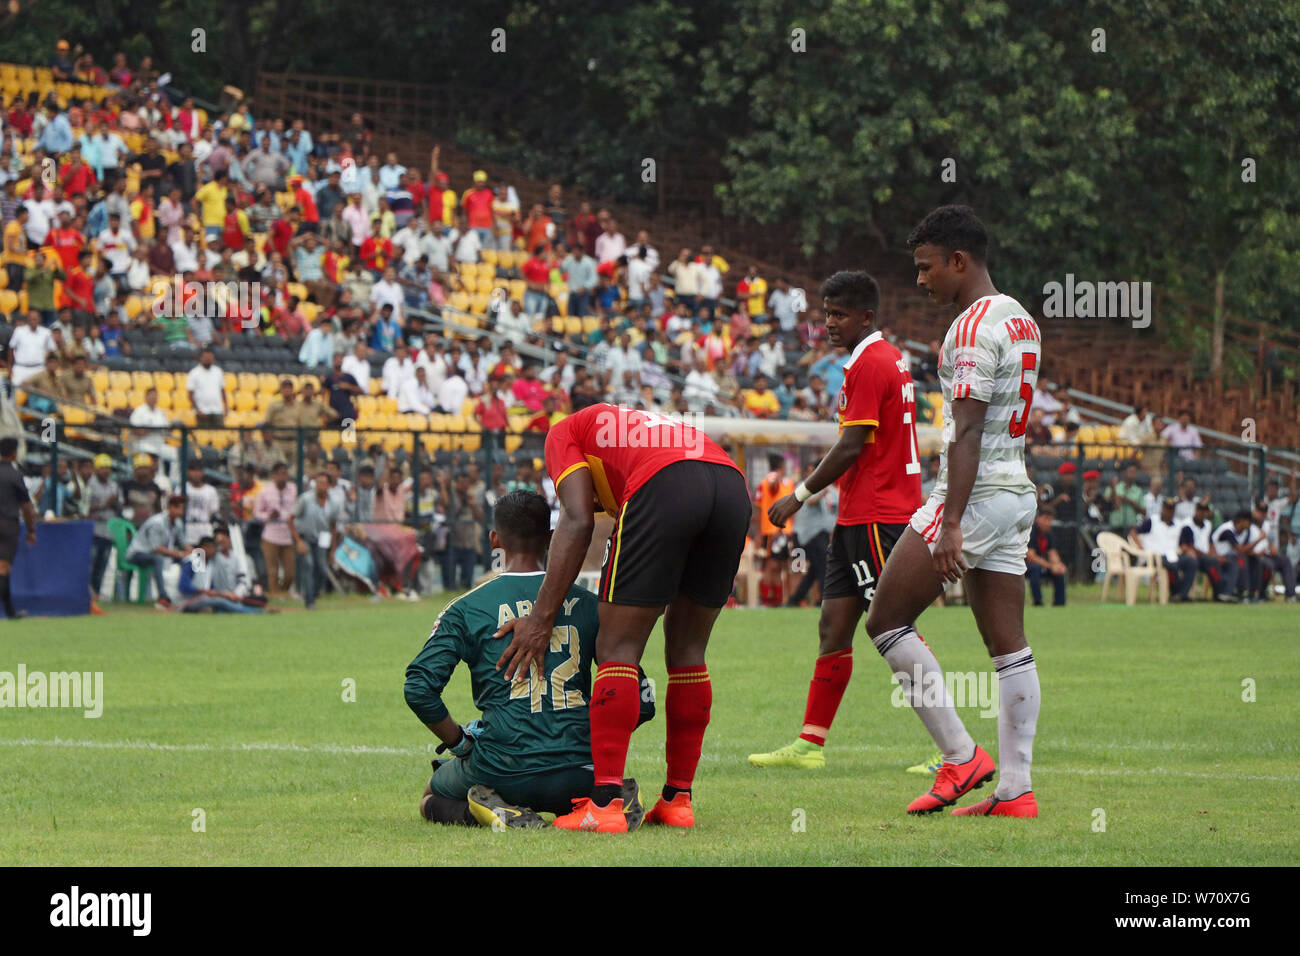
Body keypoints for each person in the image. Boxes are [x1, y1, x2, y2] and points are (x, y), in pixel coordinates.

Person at [863, 206, 1042, 818]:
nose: (920, 280)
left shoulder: (970, 329)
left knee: (885, 620)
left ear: (958, 261)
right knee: (1009, 645)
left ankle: (962, 756)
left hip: (976, 496)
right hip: (1016, 489)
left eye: (926, 267)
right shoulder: (1021, 319)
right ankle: (1016, 791)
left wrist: (954, 521)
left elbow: (964, 434)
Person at [495, 402, 750, 832]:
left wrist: (541, 618)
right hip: (730, 485)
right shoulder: (630, 426)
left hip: (664, 483)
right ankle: (677, 800)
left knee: (617, 648)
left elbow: (575, 521)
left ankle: (606, 804)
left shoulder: (562, 433)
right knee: (688, 649)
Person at [749, 271, 929, 772]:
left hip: (878, 514)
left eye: (839, 314)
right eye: (826, 313)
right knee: (833, 625)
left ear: (866, 317)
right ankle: (810, 743)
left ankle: (950, 748)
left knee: (895, 628)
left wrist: (799, 495)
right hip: (857, 516)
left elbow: (851, 445)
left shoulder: (870, 363)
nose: (828, 323)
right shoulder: (883, 358)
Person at [405, 490, 649, 828]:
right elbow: (641, 699)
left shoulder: (466, 608)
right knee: (586, 786)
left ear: (494, 540)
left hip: (503, 768)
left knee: (431, 797)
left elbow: (419, 688)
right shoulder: (590, 605)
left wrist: (460, 742)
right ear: (551, 539)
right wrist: (588, 738)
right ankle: (609, 799)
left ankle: (500, 814)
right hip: (584, 771)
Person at [288, 468, 341, 610]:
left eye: (324, 483)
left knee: (322, 569)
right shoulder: (305, 499)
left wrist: (332, 550)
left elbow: (333, 527)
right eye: (318, 483)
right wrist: (298, 541)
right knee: (308, 565)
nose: (320, 486)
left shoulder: (334, 503)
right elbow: (291, 520)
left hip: (322, 538)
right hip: (305, 536)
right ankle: (310, 602)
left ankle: (314, 594)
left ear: (329, 486)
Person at [125, 494, 188, 609]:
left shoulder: (177, 523)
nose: (181, 511)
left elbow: (184, 544)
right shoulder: (157, 522)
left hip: (156, 554)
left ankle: (186, 596)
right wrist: (179, 554)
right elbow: (156, 548)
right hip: (137, 553)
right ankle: (163, 597)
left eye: (183, 508)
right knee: (158, 559)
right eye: (178, 508)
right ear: (170, 507)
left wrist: (196, 552)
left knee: (191, 559)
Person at [0, 437, 38, 619]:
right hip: (7, 524)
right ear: (14, 453)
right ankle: (9, 611)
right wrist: (31, 530)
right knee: (4, 567)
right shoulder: (15, 476)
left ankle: (9, 610)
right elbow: (26, 507)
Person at [253, 462, 297, 596]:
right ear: (274, 475)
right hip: (270, 534)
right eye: (280, 474)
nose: (283, 477)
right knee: (272, 571)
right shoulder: (265, 491)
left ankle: (282, 593)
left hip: (287, 534)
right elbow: (257, 513)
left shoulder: (293, 489)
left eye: (285, 473)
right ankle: (274, 596)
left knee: (290, 572)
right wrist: (268, 516)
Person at [1025, 507, 1067, 606]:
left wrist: (1058, 565)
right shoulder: (1031, 531)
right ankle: (1038, 602)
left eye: (1050, 520)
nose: (1048, 523)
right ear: (1038, 518)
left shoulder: (1049, 534)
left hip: (1041, 564)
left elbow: (1052, 553)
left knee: (1059, 572)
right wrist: (1050, 566)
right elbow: (1030, 556)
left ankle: (1059, 603)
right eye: (1045, 519)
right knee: (1035, 569)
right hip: (1024, 565)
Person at [187, 346, 227, 429]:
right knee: (203, 437)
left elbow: (222, 390)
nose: (208, 359)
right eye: (206, 357)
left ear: (213, 358)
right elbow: (190, 395)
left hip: (217, 410)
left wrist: (226, 406)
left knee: (219, 437)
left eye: (210, 357)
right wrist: (197, 410)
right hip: (202, 412)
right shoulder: (194, 373)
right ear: (201, 358)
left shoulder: (218, 371)